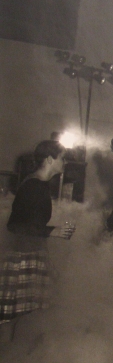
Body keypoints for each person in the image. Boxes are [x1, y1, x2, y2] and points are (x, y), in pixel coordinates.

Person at [0, 140, 75, 335]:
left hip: (32, 254)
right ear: (49, 159)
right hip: (23, 258)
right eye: (62, 158)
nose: (65, 162)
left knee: (28, 319)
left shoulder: (39, 184)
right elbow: (14, 225)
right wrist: (52, 231)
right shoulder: (33, 185)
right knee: (19, 320)